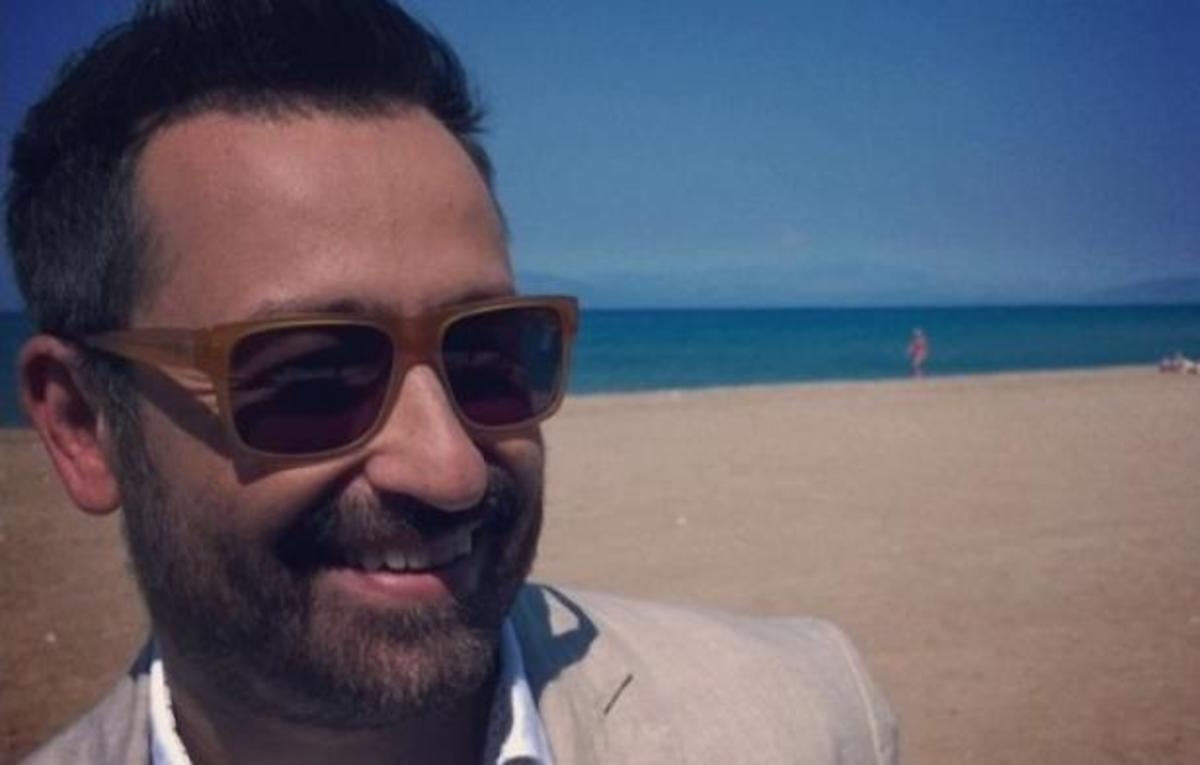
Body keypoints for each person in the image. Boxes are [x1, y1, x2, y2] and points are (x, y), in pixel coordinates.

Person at [7, 2, 897, 763]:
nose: (452, 470)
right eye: (313, 375)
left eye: (489, 354)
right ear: (83, 426)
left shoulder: (810, 718)